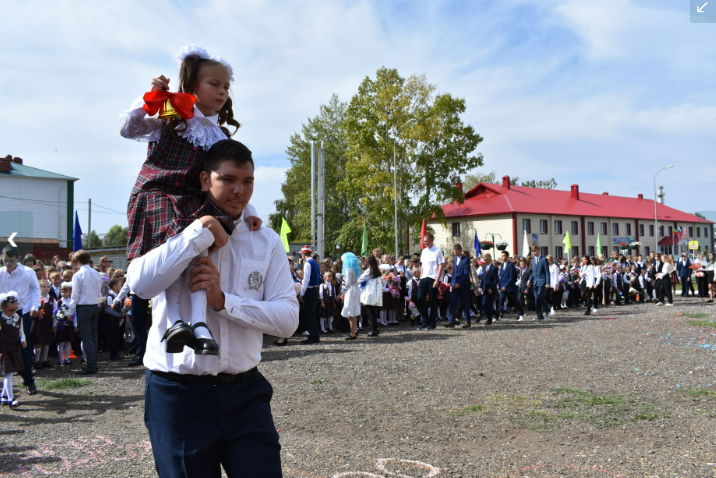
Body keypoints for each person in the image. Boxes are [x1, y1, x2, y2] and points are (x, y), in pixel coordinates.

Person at [126, 139, 299, 477]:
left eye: (247, 181)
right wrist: (198, 231)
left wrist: (224, 302)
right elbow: (141, 285)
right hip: (178, 393)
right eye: (228, 179)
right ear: (205, 180)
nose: (239, 190)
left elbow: (288, 320)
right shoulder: (175, 227)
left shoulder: (264, 239)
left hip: (245, 392)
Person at [120, 44, 262, 355]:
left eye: (226, 86)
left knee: (199, 251)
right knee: (173, 251)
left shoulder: (220, 137)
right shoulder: (175, 114)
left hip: (193, 202)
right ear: (192, 85)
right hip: (158, 193)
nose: (222, 92)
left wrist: (248, 209)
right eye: (214, 84)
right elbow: (128, 129)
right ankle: (176, 320)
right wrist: (150, 98)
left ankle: (198, 322)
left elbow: (230, 178)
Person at [0, 246, 37, 395]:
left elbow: (17, 298)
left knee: (22, 348)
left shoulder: (25, 274)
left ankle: (29, 382)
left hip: (16, 312)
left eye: (11, 261)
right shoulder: (1, 272)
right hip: (1, 311)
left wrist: (5, 306)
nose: (8, 263)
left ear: (18, 259)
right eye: (5, 260)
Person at [67, 250, 102, 375]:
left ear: (77, 261)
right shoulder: (96, 273)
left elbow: (75, 295)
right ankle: (93, 363)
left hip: (84, 307)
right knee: (93, 337)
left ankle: (91, 365)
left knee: (87, 338)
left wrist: (70, 312)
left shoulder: (78, 275)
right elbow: (99, 292)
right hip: (94, 306)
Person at [0, 292, 27, 409]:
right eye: (10, 310)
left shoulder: (18, 318)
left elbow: (21, 331)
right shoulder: (1, 319)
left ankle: (3, 396)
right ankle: (11, 398)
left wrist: (23, 339)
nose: (13, 312)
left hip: (14, 348)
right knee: (9, 374)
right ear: (3, 308)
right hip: (4, 349)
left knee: (10, 374)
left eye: (15, 309)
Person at [417, 233, 445, 330]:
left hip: (433, 278)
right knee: (420, 298)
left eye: (426, 241)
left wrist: (437, 280)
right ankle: (425, 321)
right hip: (424, 277)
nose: (424, 243)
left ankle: (432, 323)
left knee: (433, 300)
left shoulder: (437, 251)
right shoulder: (424, 251)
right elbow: (422, 266)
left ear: (431, 240)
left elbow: (441, 265)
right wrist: (420, 278)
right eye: (424, 241)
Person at [446, 244, 473, 328]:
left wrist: (459, 283)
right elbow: (454, 273)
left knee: (465, 303)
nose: (455, 254)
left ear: (461, 251)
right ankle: (451, 320)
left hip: (463, 285)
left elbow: (466, 274)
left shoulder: (466, 260)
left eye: (456, 252)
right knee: (453, 302)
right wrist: (452, 284)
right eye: (454, 252)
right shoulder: (454, 260)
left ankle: (468, 321)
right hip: (455, 285)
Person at [298, 245, 321, 344]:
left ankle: (313, 336)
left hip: (310, 290)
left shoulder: (308, 264)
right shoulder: (315, 263)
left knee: (310, 314)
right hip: (315, 289)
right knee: (312, 314)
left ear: (303, 255)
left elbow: (306, 279)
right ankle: (314, 334)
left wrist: (302, 293)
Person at [32, 279, 54, 369]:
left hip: (48, 322)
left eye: (48, 287)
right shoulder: (36, 298)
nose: (46, 288)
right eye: (44, 287)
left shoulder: (52, 299)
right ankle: (36, 361)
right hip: (39, 323)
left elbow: (55, 312)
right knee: (38, 342)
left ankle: (45, 360)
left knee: (46, 342)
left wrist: (54, 324)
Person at [358, 255, 383, 337]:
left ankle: (374, 330)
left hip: (370, 293)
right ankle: (375, 328)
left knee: (370, 312)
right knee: (374, 312)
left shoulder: (369, 270)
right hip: (375, 292)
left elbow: (361, 279)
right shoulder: (376, 269)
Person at [53, 283, 77, 366]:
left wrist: (75, 324)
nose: (63, 293)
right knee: (61, 342)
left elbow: (75, 313)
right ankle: (61, 359)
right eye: (62, 292)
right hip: (61, 324)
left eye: (65, 292)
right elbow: (55, 312)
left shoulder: (72, 302)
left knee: (67, 342)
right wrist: (55, 323)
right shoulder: (58, 301)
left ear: (70, 293)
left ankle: (67, 358)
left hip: (69, 323)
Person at [340, 252, 362, 340]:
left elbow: (348, 284)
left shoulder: (348, 269)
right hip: (355, 289)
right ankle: (355, 330)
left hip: (350, 291)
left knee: (350, 312)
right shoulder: (355, 269)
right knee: (352, 311)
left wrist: (342, 292)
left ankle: (353, 333)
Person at [529, 245, 551, 320]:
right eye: (533, 251)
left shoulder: (544, 259)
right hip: (535, 282)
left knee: (539, 296)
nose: (534, 253)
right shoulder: (533, 260)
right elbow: (533, 272)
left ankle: (548, 310)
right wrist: (529, 279)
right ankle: (540, 316)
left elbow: (547, 272)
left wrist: (548, 282)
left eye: (535, 251)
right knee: (536, 299)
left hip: (542, 281)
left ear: (538, 250)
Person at [497, 250, 519, 322]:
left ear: (507, 256)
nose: (502, 257)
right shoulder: (502, 265)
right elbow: (502, 276)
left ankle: (521, 313)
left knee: (515, 300)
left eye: (503, 256)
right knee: (501, 301)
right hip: (503, 286)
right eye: (501, 256)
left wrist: (506, 285)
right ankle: (499, 315)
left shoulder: (510, 265)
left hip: (510, 287)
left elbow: (511, 277)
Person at [478, 253, 498, 325]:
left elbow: (495, 280)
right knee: (484, 304)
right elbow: (483, 279)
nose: (484, 261)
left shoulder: (494, 268)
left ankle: (489, 319)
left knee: (489, 304)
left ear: (489, 260)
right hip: (485, 289)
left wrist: (491, 288)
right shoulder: (484, 268)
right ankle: (496, 313)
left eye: (485, 260)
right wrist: (480, 287)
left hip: (490, 289)